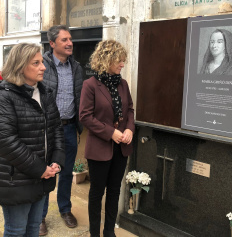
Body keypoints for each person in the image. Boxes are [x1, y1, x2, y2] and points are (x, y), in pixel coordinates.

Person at [0, 43, 65, 237]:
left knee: (34, 227)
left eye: (42, 62)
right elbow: (6, 140)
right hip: (17, 180)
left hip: (42, 177)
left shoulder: (45, 93)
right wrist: (41, 169)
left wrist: (56, 161)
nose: (43, 67)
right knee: (16, 230)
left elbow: (56, 130)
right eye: (36, 63)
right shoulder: (5, 96)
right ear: (20, 66)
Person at [79, 40, 135, 237]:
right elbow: (85, 116)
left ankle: (109, 231)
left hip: (121, 148)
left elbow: (129, 110)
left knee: (114, 191)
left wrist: (129, 129)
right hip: (99, 149)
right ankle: (94, 233)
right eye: (119, 60)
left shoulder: (123, 84)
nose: (122, 64)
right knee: (97, 194)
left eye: (123, 60)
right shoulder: (90, 85)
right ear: (107, 59)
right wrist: (110, 132)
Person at [40, 25, 84, 235]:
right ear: (52, 44)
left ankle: (65, 209)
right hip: (47, 130)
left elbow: (81, 97)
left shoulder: (76, 67)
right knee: (45, 172)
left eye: (70, 39)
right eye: (64, 40)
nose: (69, 43)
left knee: (66, 172)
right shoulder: (42, 65)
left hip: (68, 128)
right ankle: (40, 216)